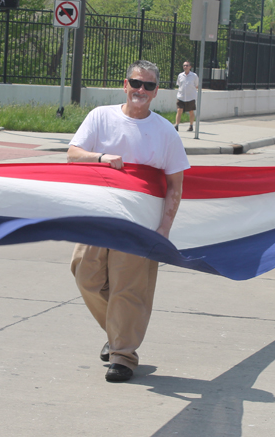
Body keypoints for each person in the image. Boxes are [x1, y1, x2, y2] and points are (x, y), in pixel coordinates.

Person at [67, 60, 190, 383]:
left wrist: (164, 228)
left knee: (128, 288)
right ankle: (117, 330)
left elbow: (175, 184)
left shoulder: (164, 131)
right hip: (99, 215)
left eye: (149, 86)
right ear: (125, 84)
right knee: (85, 274)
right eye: (136, 83)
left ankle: (123, 355)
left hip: (140, 223)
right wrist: (101, 158)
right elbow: (73, 153)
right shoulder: (101, 117)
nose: (141, 90)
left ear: (156, 92)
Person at [175, 60, 199, 132]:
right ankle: (176, 125)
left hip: (190, 97)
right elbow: (179, 84)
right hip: (181, 96)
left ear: (190, 67)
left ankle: (191, 125)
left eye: (187, 65)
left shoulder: (194, 76)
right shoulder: (180, 75)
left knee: (191, 111)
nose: (185, 67)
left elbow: (196, 85)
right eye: (184, 65)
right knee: (179, 110)